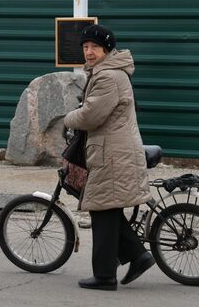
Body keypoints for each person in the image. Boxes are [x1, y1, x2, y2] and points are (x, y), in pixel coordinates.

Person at [64, 24, 155, 291]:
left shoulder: (108, 77)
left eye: (95, 47)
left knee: (101, 209)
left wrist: (68, 119)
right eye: (86, 47)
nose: (89, 52)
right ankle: (138, 256)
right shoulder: (106, 72)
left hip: (112, 153)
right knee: (108, 207)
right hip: (112, 149)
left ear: (107, 49)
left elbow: (92, 115)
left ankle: (105, 276)